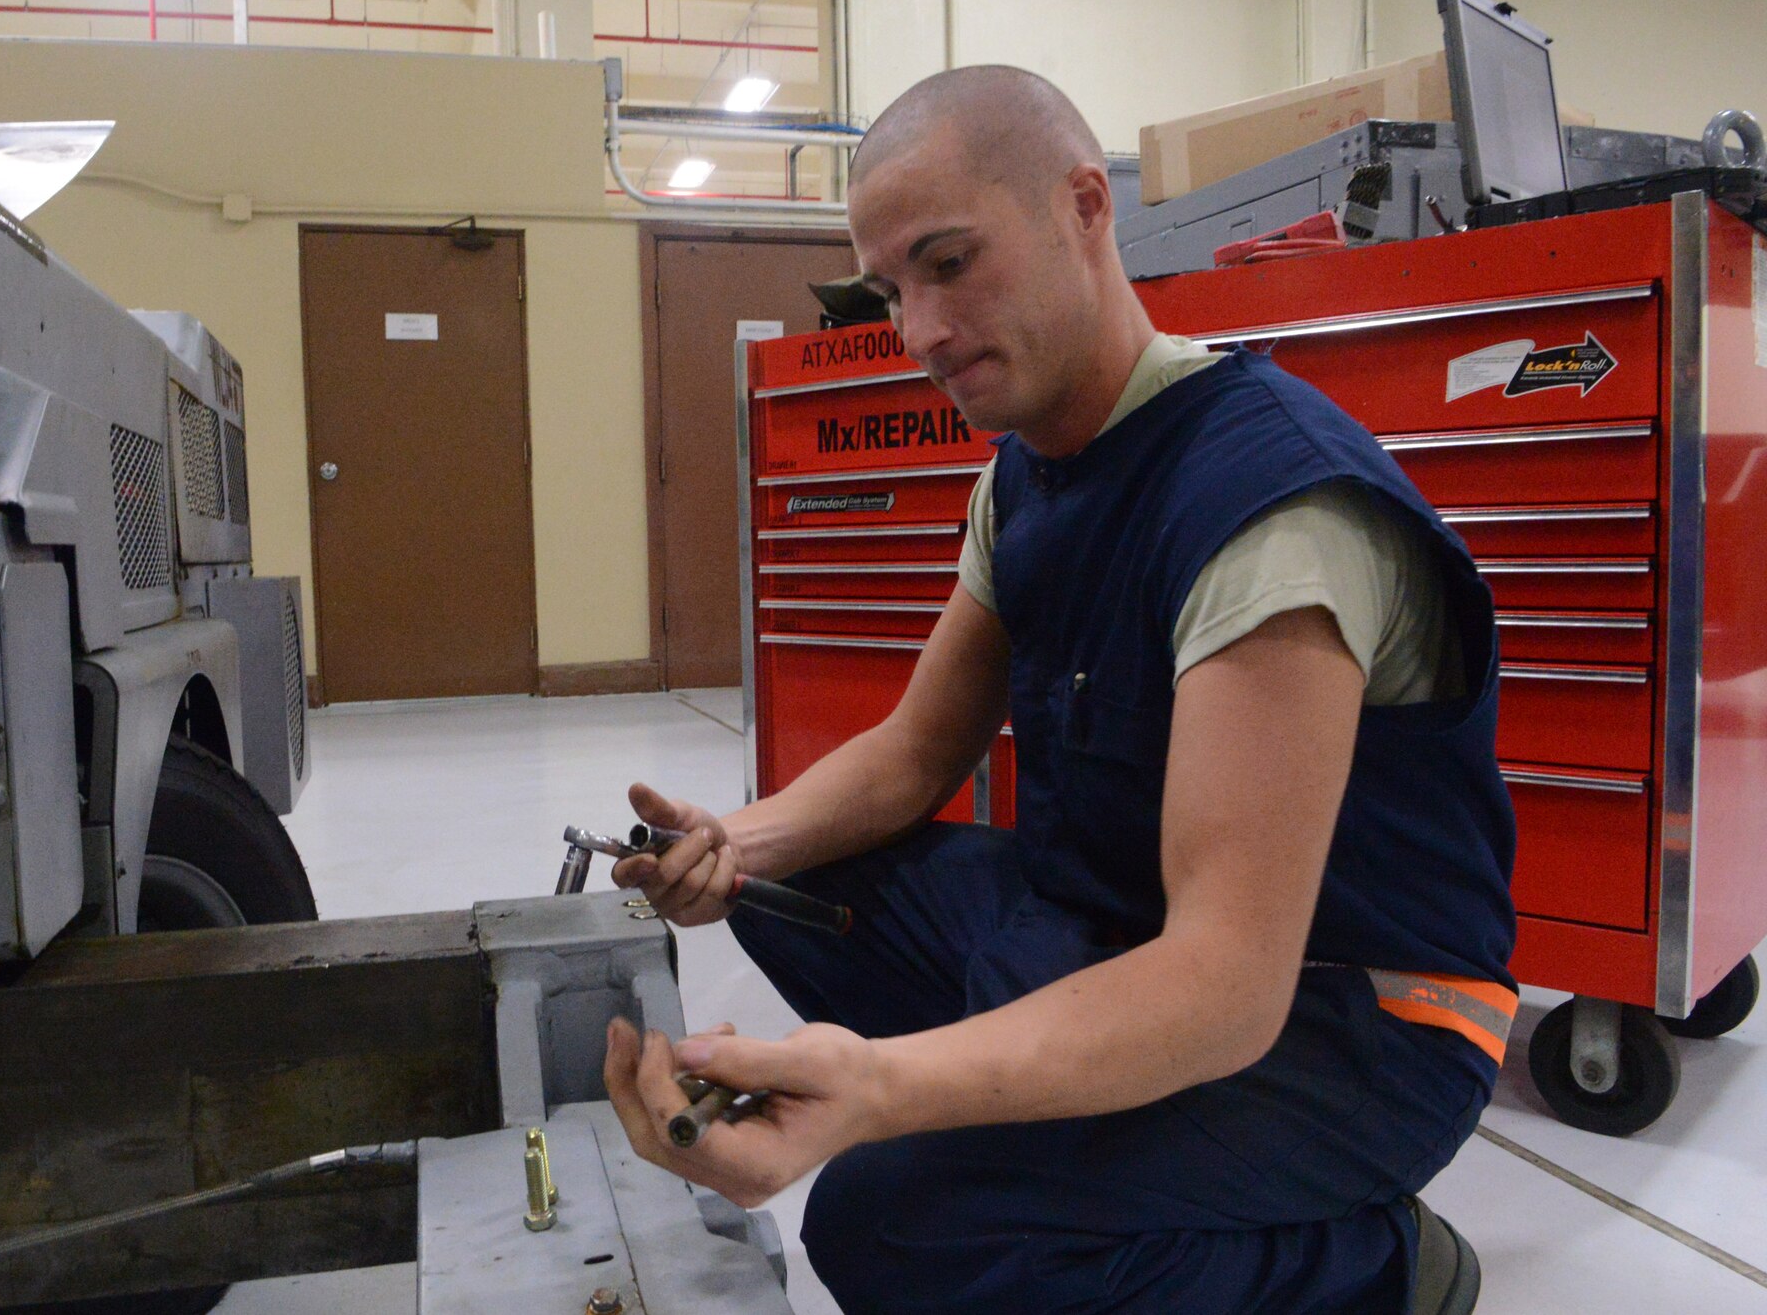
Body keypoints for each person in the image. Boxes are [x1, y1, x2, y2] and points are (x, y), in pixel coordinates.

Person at [603, 64, 1515, 1314]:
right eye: (889, 289)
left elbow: (1223, 983)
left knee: (891, 1224)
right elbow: (914, 756)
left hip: (1348, 1021)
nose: (917, 330)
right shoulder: (1027, 477)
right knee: (789, 884)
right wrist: (726, 843)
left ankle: (1371, 1266)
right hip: (1120, 932)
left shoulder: (1266, 511)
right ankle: (1055, 1127)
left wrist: (879, 1087)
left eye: (947, 262)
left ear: (1084, 207)